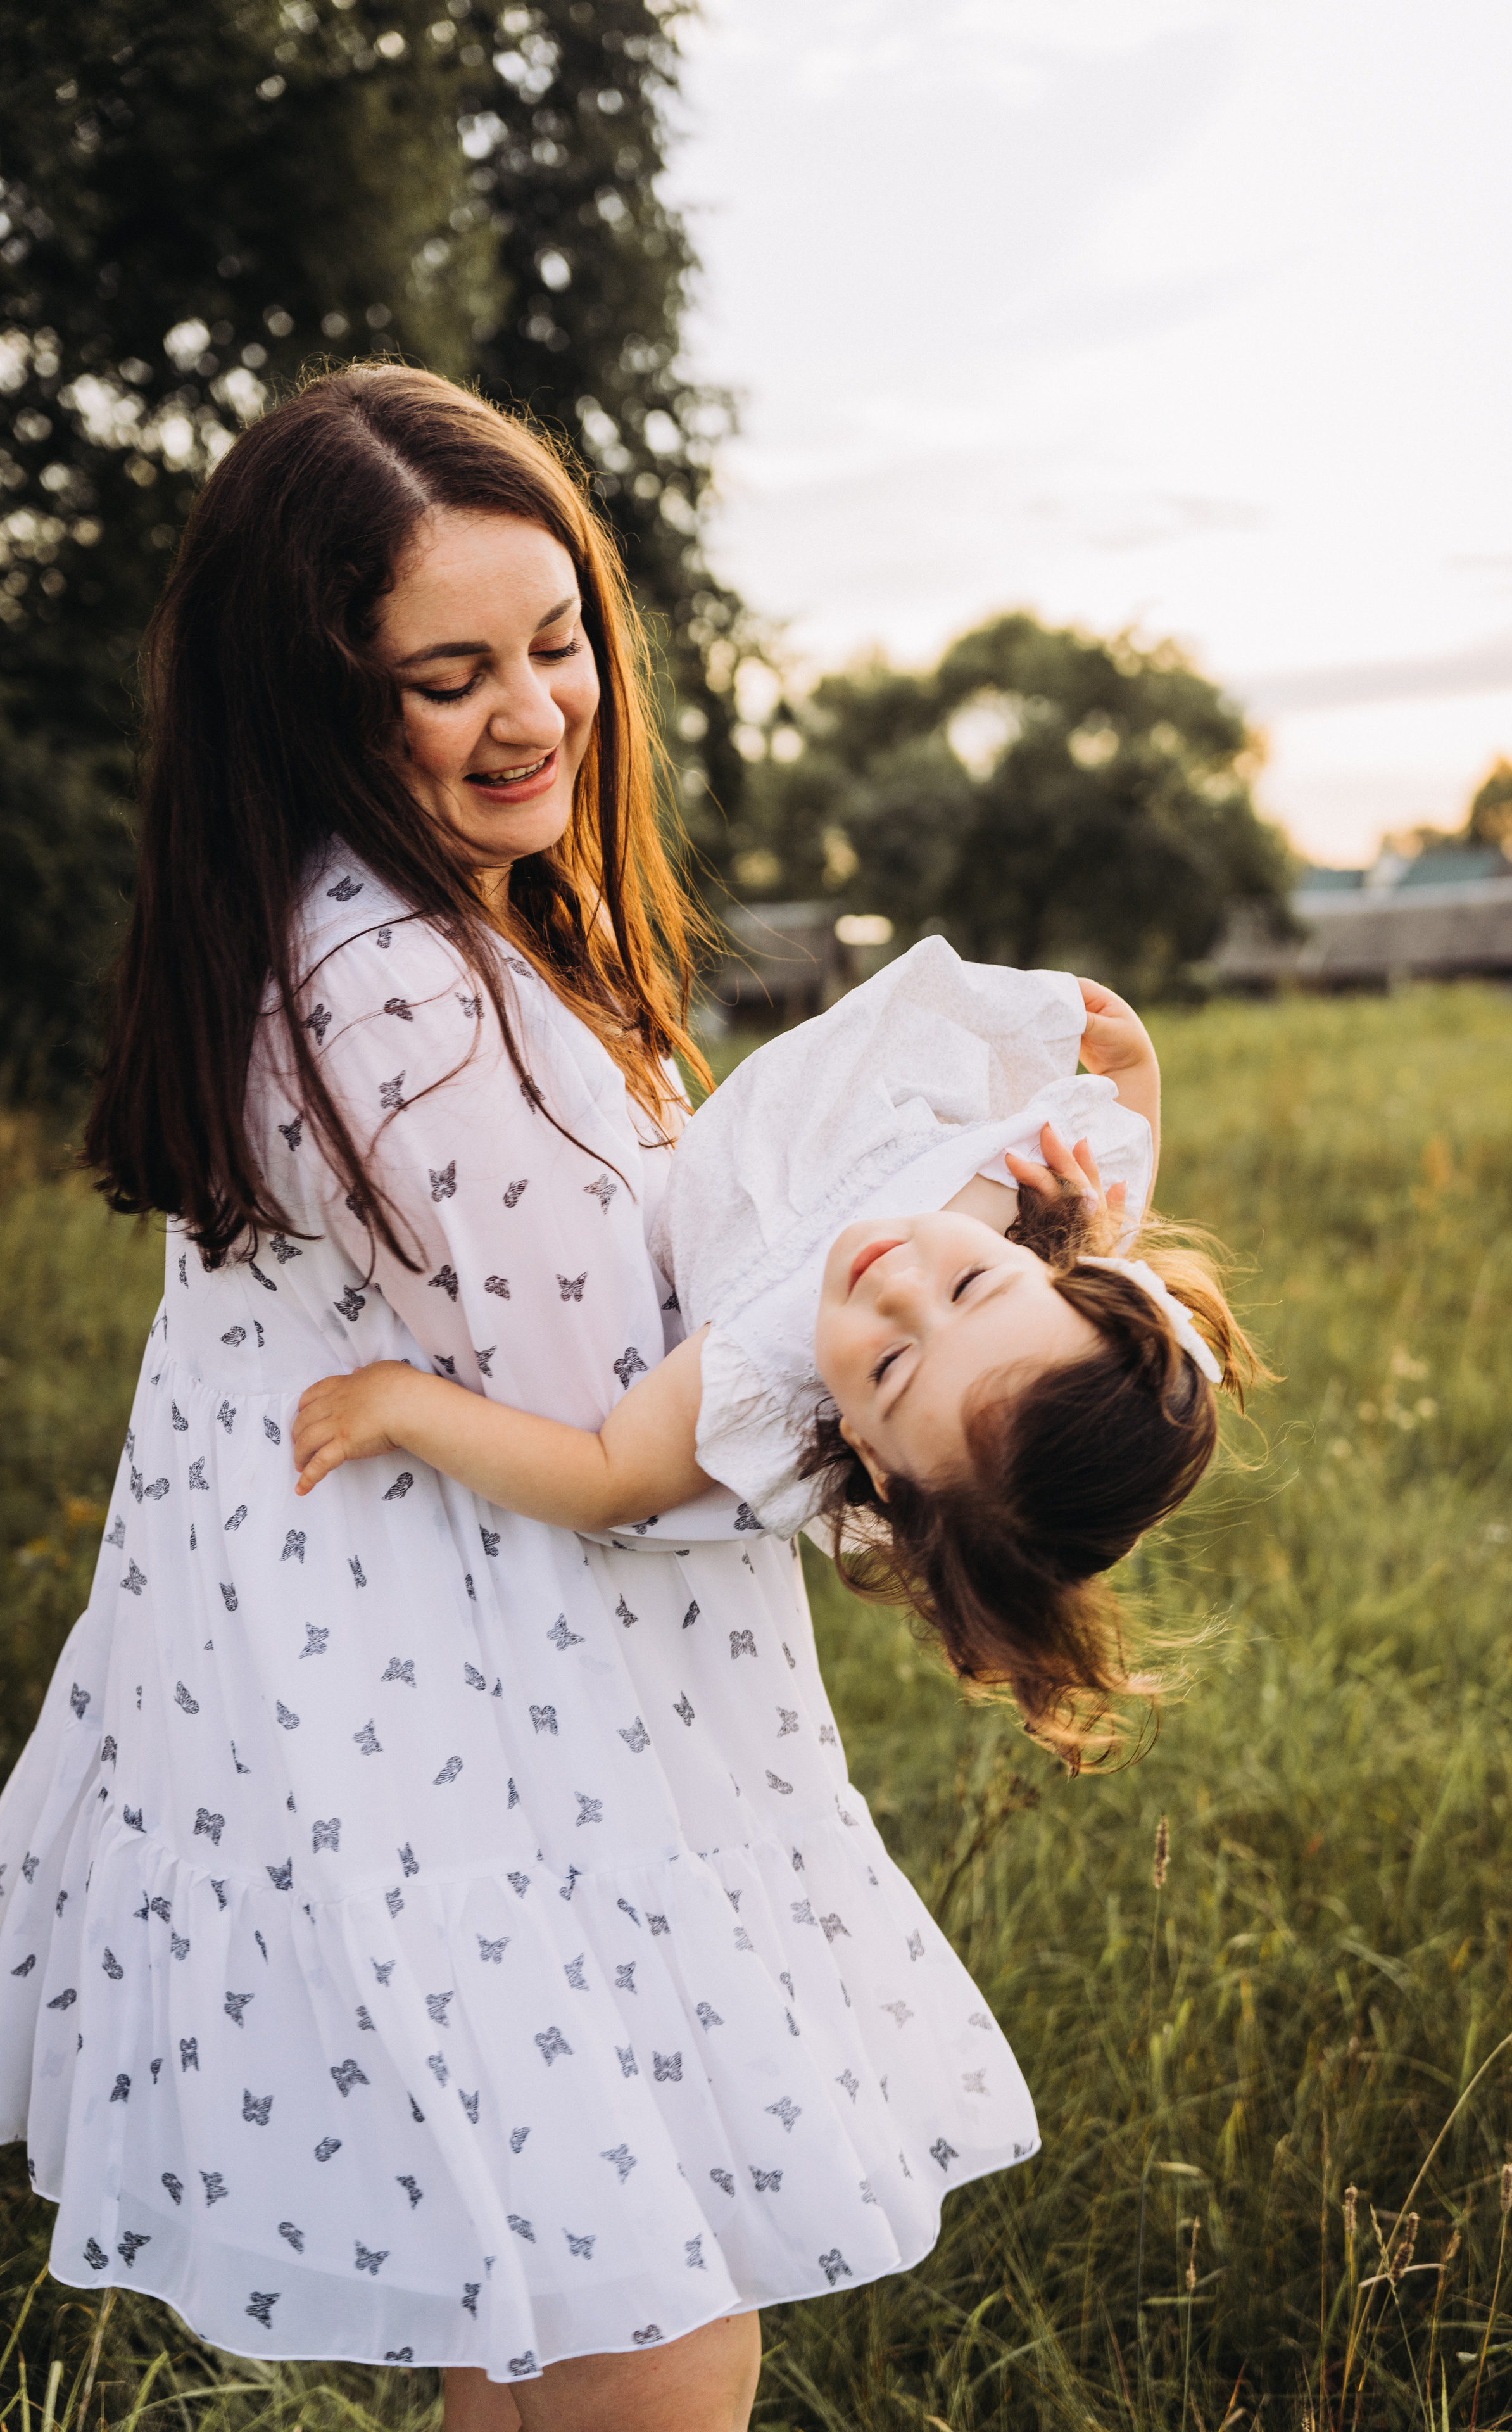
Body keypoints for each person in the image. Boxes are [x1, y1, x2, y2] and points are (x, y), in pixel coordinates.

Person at [0, 367, 1040, 2432]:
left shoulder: (394, 934)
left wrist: (954, 1218)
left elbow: (651, 1291)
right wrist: (947, 1412)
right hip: (518, 1767)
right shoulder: (400, 991)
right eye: (446, 675)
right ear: (317, 701)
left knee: (557, 2324)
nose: (536, 712)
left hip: (477, 1734)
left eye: (558, 642)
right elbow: (642, 1447)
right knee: (659, 2342)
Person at [294, 938, 1259, 1766]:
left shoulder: (767, 1379)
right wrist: (1137, 1073)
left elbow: (603, 1479)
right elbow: (1117, 1194)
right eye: (973, 1285)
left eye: (890, 1368)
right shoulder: (1043, 1212)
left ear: (875, 1458)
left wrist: (401, 1408)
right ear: (1054, 1276)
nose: (898, 1287)